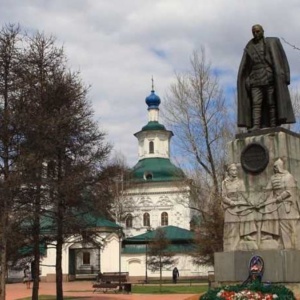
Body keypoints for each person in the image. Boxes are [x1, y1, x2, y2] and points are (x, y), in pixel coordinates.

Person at [237, 24, 295, 132]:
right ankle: (256, 125)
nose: (256, 34)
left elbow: (283, 59)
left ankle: (273, 124)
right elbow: (244, 66)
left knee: (271, 102)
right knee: (256, 104)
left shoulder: (271, 42)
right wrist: (246, 79)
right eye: (254, 32)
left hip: (269, 77)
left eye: (258, 31)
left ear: (263, 31)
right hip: (255, 79)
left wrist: (286, 75)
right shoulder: (249, 46)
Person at [260, 158, 300, 249]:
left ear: (279, 167)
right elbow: (267, 190)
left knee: (292, 226)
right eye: (274, 167)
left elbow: (289, 191)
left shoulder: (288, 177)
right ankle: (287, 247)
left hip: (288, 205)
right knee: (283, 226)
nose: (274, 169)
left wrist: (280, 197)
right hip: (278, 206)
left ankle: (294, 247)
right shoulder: (273, 178)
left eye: (276, 167)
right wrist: (261, 199)